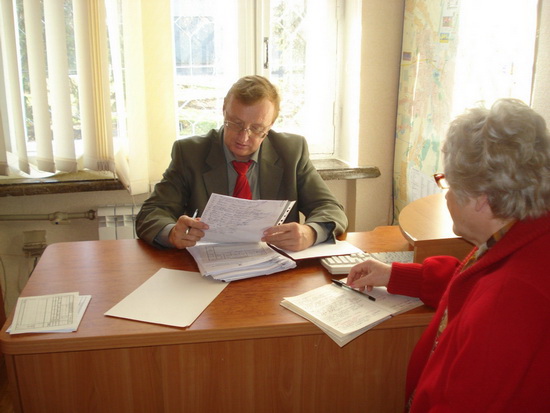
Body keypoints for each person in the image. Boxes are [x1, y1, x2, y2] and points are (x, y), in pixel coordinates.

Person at [348, 98, 550, 412]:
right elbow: (472, 287)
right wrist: (396, 275)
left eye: (449, 184)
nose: (447, 196)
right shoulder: (523, 233)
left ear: (482, 198)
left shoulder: (512, 298)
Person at [136, 75, 348, 251]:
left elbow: (330, 208)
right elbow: (151, 213)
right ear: (224, 110)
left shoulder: (291, 151)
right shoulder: (191, 153)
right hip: (209, 264)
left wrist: (309, 233)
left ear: (271, 124)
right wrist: (172, 233)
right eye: (235, 123)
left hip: (275, 265)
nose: (243, 137)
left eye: (257, 128)